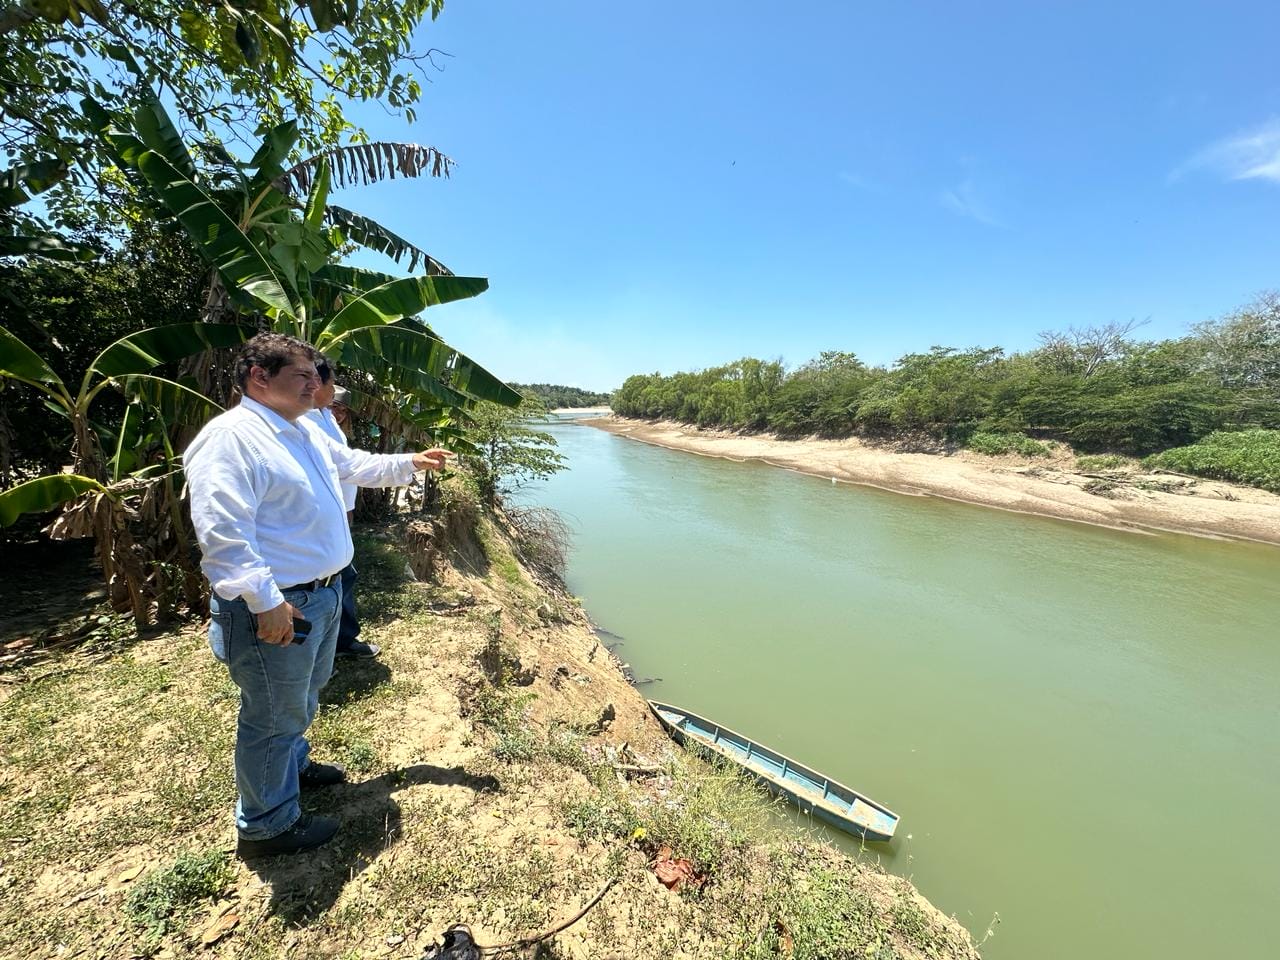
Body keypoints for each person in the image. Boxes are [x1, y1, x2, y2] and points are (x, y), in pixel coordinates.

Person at [184, 333, 451, 858]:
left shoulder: (301, 430)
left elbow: (352, 466)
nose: (315, 385)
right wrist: (265, 603)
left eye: (314, 375)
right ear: (260, 377)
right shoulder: (233, 439)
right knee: (272, 715)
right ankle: (266, 826)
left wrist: (411, 462)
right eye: (302, 376)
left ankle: (294, 767)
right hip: (279, 603)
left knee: (302, 698)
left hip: (319, 596)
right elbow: (223, 534)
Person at [306, 367, 377, 660]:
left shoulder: (327, 423)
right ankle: (332, 646)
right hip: (323, 523)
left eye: (343, 408)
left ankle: (339, 643)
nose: (338, 411)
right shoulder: (305, 422)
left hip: (339, 518)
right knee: (330, 583)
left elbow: (349, 468)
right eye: (333, 400)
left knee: (343, 578)